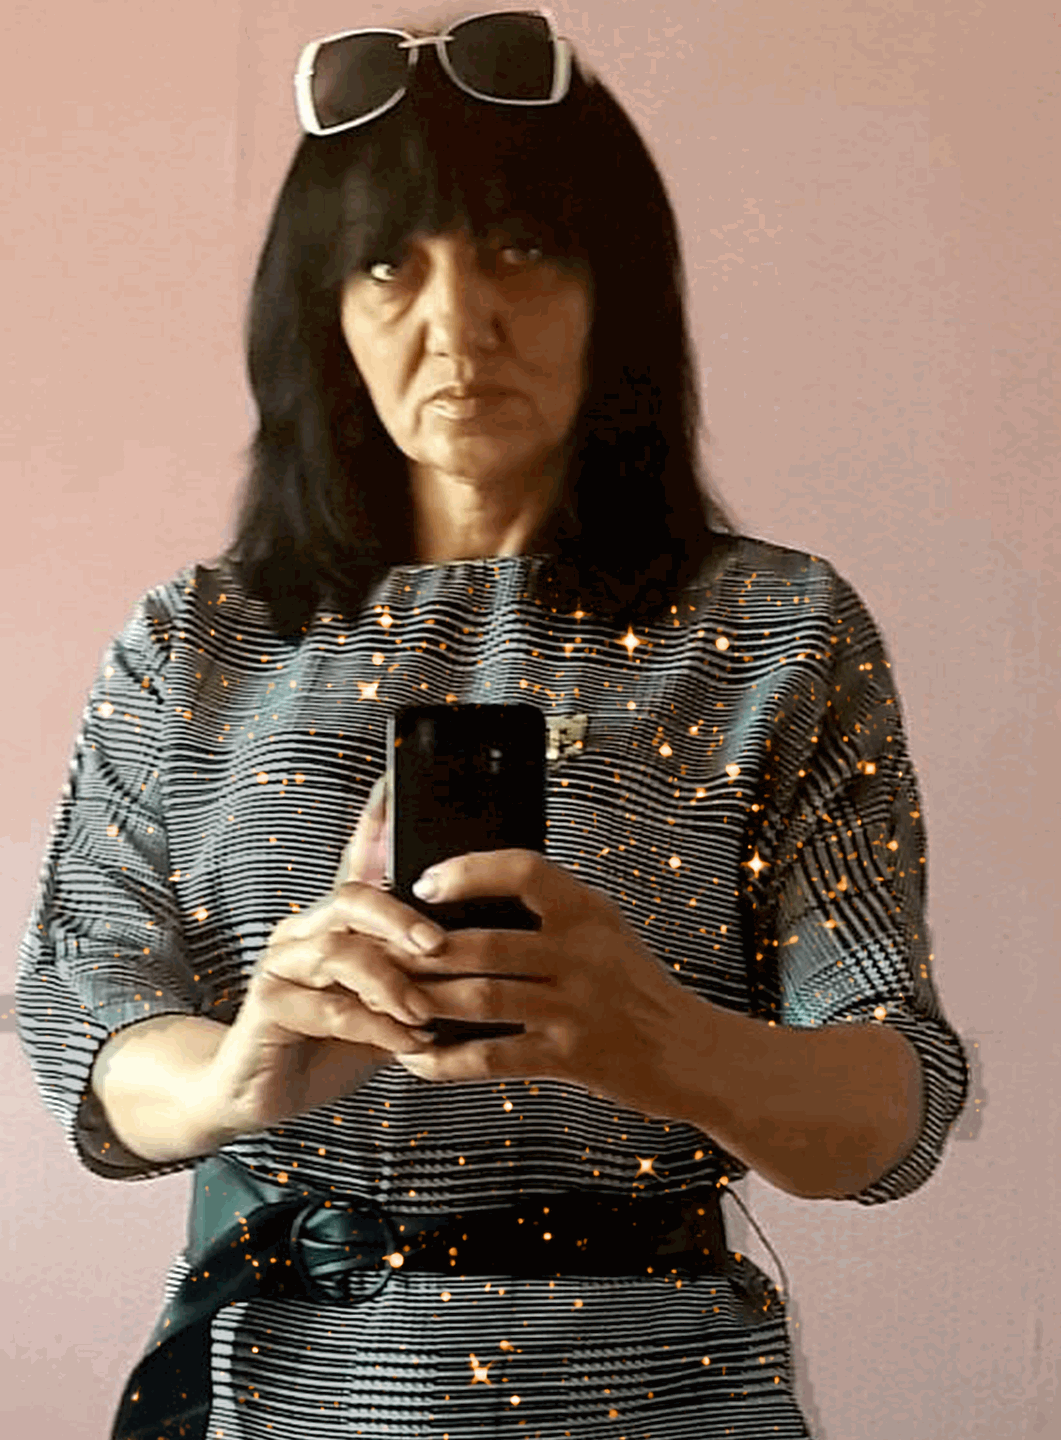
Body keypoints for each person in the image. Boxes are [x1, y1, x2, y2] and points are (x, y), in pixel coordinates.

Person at [16, 9, 969, 1438]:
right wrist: (232, 1074)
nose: (458, 323)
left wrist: (661, 1040)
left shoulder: (775, 632)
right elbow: (83, 1015)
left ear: (614, 288)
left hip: (664, 1398)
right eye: (386, 262)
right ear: (320, 312)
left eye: (521, 248)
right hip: (285, 1390)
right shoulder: (194, 644)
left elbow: (891, 1094)